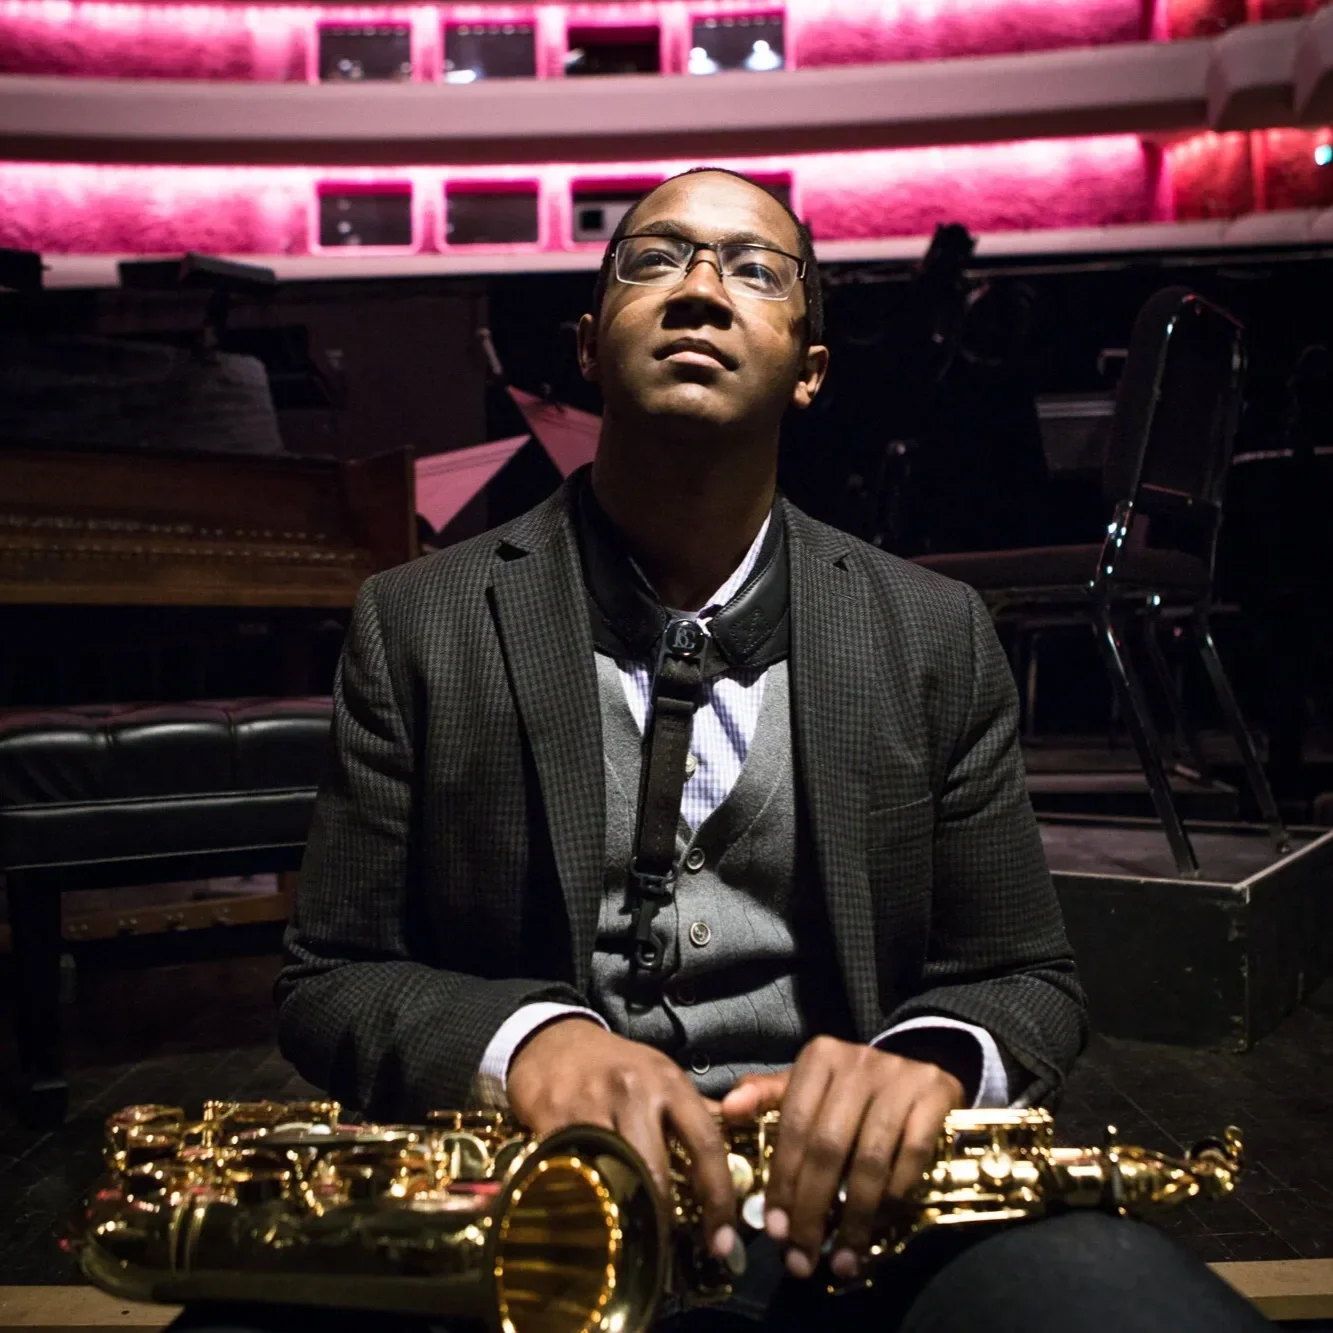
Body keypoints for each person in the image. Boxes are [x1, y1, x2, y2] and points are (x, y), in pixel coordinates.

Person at [246, 168, 1268, 1333]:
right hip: (521, 1201)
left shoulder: (932, 632)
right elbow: (330, 976)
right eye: (653, 259)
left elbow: (1025, 977)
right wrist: (525, 1044)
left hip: (855, 1215)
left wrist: (927, 1059)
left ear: (809, 368)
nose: (698, 290)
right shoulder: (416, 619)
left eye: (752, 269)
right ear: (587, 346)